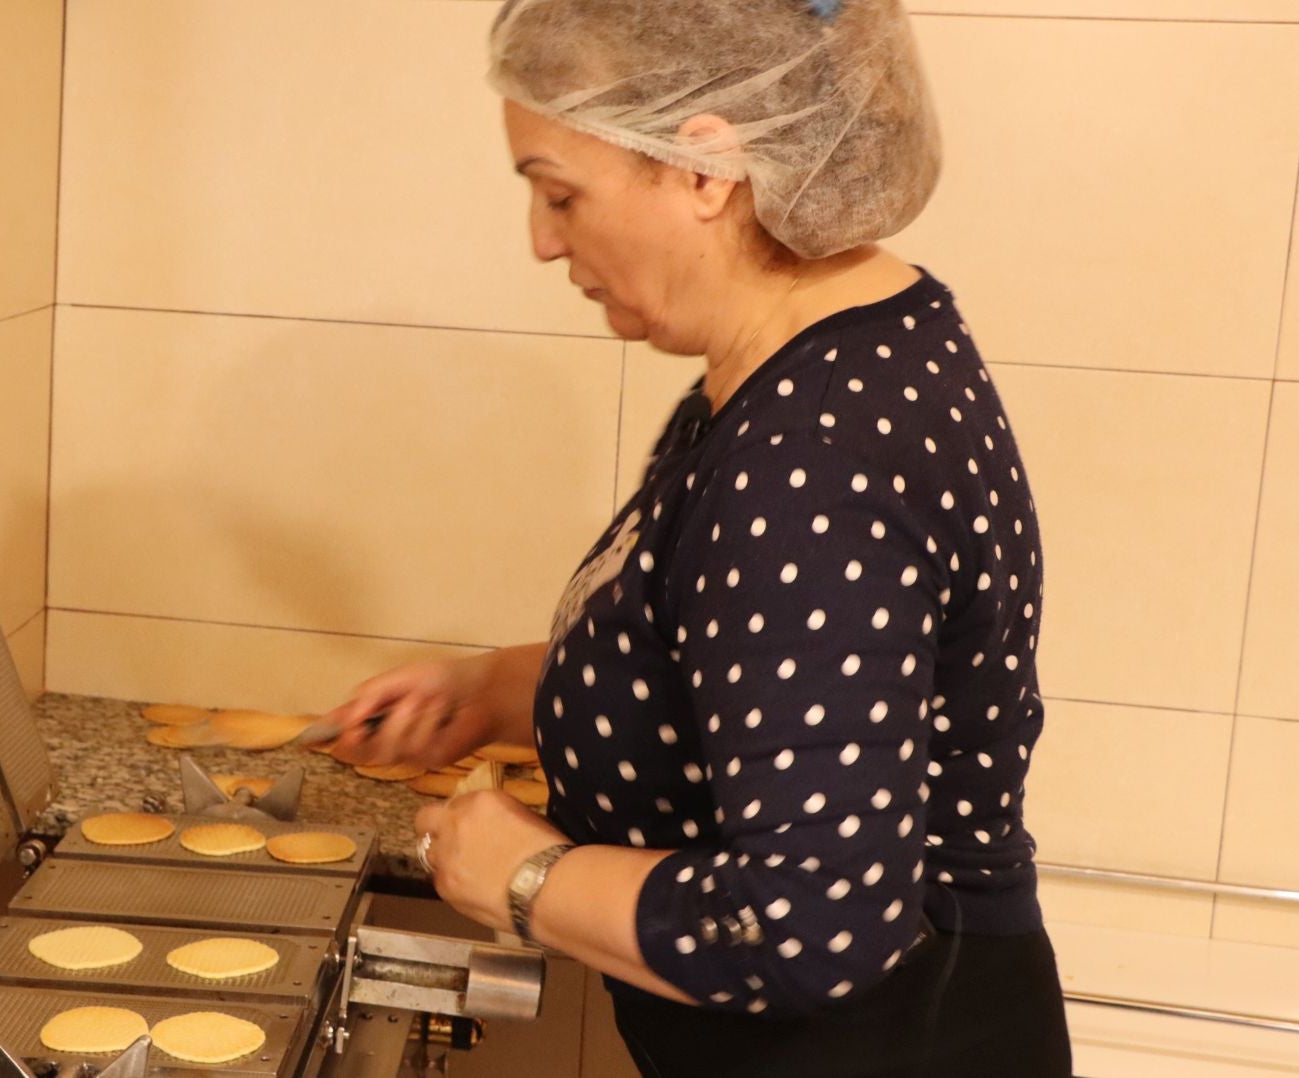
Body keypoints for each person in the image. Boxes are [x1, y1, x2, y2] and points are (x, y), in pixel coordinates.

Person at [320, 1, 1074, 1074]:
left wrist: (522, 877)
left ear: (704, 168)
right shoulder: (832, 351)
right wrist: (494, 692)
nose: (542, 240)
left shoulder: (813, 455)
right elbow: (729, 668)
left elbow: (806, 922)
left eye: (560, 191)